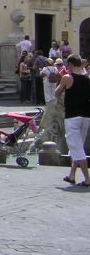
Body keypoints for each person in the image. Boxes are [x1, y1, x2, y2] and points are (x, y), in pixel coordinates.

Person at [54, 54, 90, 187]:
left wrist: (61, 80)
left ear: (70, 64)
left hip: (72, 116)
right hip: (86, 116)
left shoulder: (67, 78)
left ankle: (87, 179)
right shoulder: (88, 78)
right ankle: (72, 175)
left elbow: (56, 93)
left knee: (76, 148)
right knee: (78, 146)